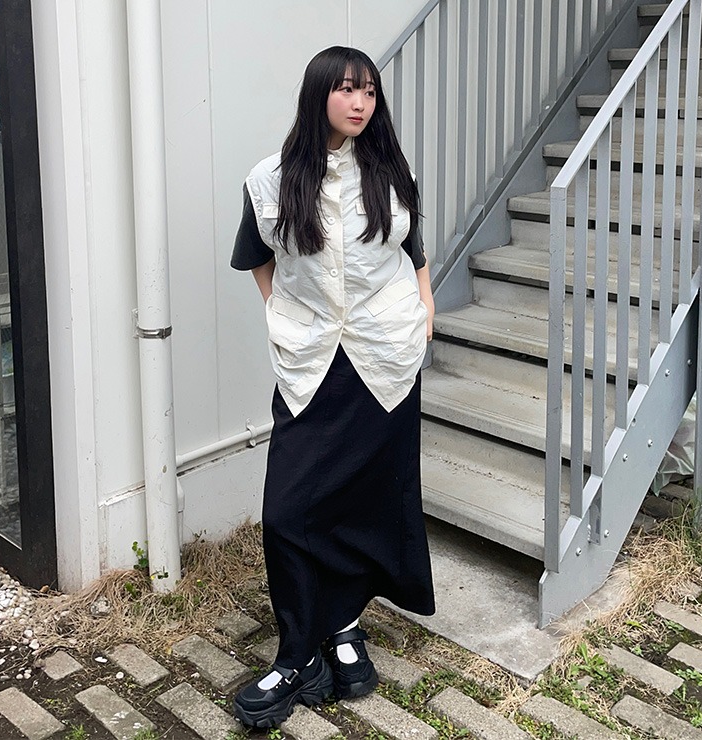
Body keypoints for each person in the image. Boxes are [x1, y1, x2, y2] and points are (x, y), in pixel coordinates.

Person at [230, 45, 435, 728]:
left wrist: (425, 307)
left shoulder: (390, 171)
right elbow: (255, 256)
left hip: (384, 356)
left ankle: (343, 626)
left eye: (369, 92)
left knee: (366, 501)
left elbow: (412, 249)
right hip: (313, 360)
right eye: (347, 89)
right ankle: (297, 654)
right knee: (289, 509)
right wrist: (282, 312)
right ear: (318, 93)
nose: (360, 103)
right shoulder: (270, 179)